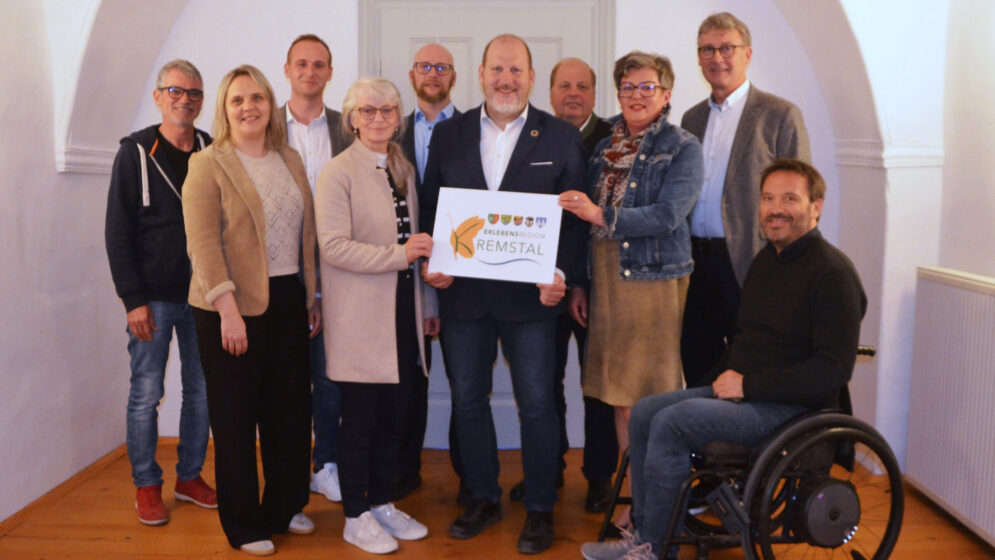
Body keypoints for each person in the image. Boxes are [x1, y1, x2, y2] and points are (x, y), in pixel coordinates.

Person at [579, 159, 867, 560]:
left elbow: (831, 373)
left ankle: (656, 552)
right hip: (749, 395)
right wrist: (706, 388)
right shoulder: (767, 261)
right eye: (767, 199)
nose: (775, 209)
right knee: (646, 411)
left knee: (673, 422)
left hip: (792, 409)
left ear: (816, 206)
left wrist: (746, 387)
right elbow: (746, 341)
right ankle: (645, 535)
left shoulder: (832, 275)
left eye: (789, 199)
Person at [420, 33, 588, 555]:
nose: (506, 80)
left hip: (532, 303)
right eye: (497, 70)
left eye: (516, 70)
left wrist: (562, 274)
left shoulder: (560, 137)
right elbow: (432, 209)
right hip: (464, 298)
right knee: (468, 401)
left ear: (532, 78)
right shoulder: (449, 135)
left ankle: (539, 507)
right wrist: (434, 265)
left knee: (537, 404)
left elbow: (575, 223)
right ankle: (483, 497)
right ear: (481, 74)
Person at [559, 50, 703, 532]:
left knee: (651, 402)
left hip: (653, 284)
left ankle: (656, 508)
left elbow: (667, 216)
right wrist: (579, 282)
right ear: (617, 94)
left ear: (666, 94)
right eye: (628, 87)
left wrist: (601, 214)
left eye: (648, 87)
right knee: (621, 399)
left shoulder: (683, 146)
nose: (637, 96)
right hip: (606, 282)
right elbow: (585, 231)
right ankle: (641, 502)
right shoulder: (604, 149)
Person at [183, 65, 320, 556]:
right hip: (229, 304)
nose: (249, 107)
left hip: (286, 299)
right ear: (224, 107)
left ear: (270, 104)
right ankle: (244, 525)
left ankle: (282, 506)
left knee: (288, 413)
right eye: (238, 99)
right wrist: (228, 310)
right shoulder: (208, 163)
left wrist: (311, 296)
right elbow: (202, 244)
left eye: (257, 97)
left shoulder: (289, 158)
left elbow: (305, 234)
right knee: (237, 419)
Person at [315, 76, 436, 555]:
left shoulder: (401, 167)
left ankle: (382, 501)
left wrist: (424, 281)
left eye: (388, 110)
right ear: (351, 119)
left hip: (403, 318)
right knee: (360, 422)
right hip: (361, 320)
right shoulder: (336, 172)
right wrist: (400, 255)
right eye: (368, 111)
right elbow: (334, 247)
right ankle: (354, 515)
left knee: (394, 419)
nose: (379, 118)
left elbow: (417, 245)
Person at [104, 58, 217, 526]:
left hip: (205, 297)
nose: (184, 100)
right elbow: (117, 232)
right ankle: (146, 484)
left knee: (203, 393)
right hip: (153, 299)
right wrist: (133, 300)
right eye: (175, 91)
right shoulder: (134, 153)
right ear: (158, 96)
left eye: (192, 93)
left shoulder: (213, 149)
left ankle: (189, 476)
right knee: (146, 393)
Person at [506, 57, 618, 514]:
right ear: (549, 91)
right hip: (545, 284)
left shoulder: (614, 139)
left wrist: (581, 281)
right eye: (564, 85)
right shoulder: (535, 134)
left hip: (604, 286)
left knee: (599, 386)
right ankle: (547, 471)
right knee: (544, 383)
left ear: (594, 94)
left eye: (583, 86)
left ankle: (598, 477)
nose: (573, 93)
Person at [679, 12, 811, 389]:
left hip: (751, 262)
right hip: (694, 264)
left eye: (726, 48)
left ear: (747, 53)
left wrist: (785, 265)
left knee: (749, 367)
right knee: (698, 362)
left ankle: (750, 449)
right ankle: (704, 445)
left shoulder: (779, 115)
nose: (716, 57)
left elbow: (801, 196)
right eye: (707, 49)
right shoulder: (691, 118)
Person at [281, 32, 351, 504]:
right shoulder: (265, 127)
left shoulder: (347, 128)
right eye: (301, 64)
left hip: (335, 268)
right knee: (285, 378)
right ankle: (287, 472)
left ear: (329, 72)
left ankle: (326, 463)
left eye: (319, 64)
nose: (310, 72)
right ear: (287, 70)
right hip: (279, 270)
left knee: (328, 377)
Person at [396, 42, 463, 502]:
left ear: (454, 75)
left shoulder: (473, 130)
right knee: (406, 378)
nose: (433, 73)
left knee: (466, 379)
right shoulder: (387, 128)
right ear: (412, 72)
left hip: (460, 276)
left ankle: (469, 479)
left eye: (442, 66)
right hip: (396, 275)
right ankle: (403, 471)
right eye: (425, 66)